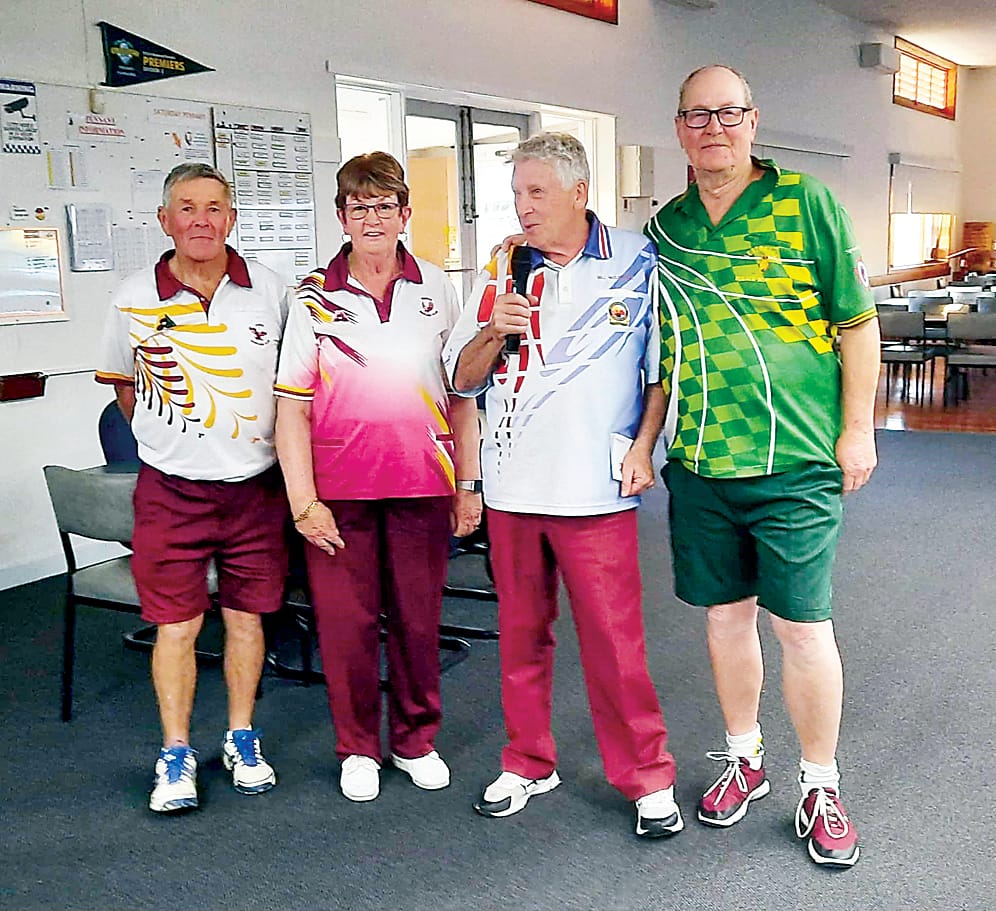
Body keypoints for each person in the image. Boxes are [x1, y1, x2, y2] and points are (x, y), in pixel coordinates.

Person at [644, 64, 880, 868]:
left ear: (752, 121)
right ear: (679, 128)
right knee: (725, 618)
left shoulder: (805, 202)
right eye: (697, 115)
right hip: (703, 459)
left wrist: (858, 429)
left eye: (728, 113)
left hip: (797, 457)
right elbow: (654, 343)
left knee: (802, 626)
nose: (713, 127)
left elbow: (858, 323)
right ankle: (744, 756)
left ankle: (821, 782)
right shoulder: (666, 229)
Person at [443, 132, 682, 838]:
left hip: (595, 489)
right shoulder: (502, 265)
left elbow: (660, 372)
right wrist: (492, 330)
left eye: (537, 192)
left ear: (579, 192)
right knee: (520, 638)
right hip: (514, 487)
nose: (523, 206)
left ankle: (646, 775)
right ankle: (527, 760)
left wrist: (645, 447)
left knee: (614, 644)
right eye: (517, 193)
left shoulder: (639, 260)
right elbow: (461, 377)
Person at [273, 152, 481, 803]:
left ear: (404, 213)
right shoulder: (312, 295)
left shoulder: (436, 288)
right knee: (347, 626)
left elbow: (461, 395)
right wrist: (303, 502)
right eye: (358, 207)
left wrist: (468, 484)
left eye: (384, 206)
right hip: (339, 493)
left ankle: (416, 740)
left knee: (418, 622)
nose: (372, 219)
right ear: (341, 217)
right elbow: (291, 408)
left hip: (422, 483)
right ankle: (358, 747)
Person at [96, 162, 289, 812]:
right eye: (187, 207)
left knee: (246, 617)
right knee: (176, 626)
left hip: (255, 490)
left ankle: (241, 736)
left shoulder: (270, 290)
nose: (201, 220)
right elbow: (124, 389)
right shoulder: (132, 296)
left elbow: (293, 387)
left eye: (213, 208)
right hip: (171, 493)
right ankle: (175, 752)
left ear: (231, 218)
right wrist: (173, 442)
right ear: (165, 220)